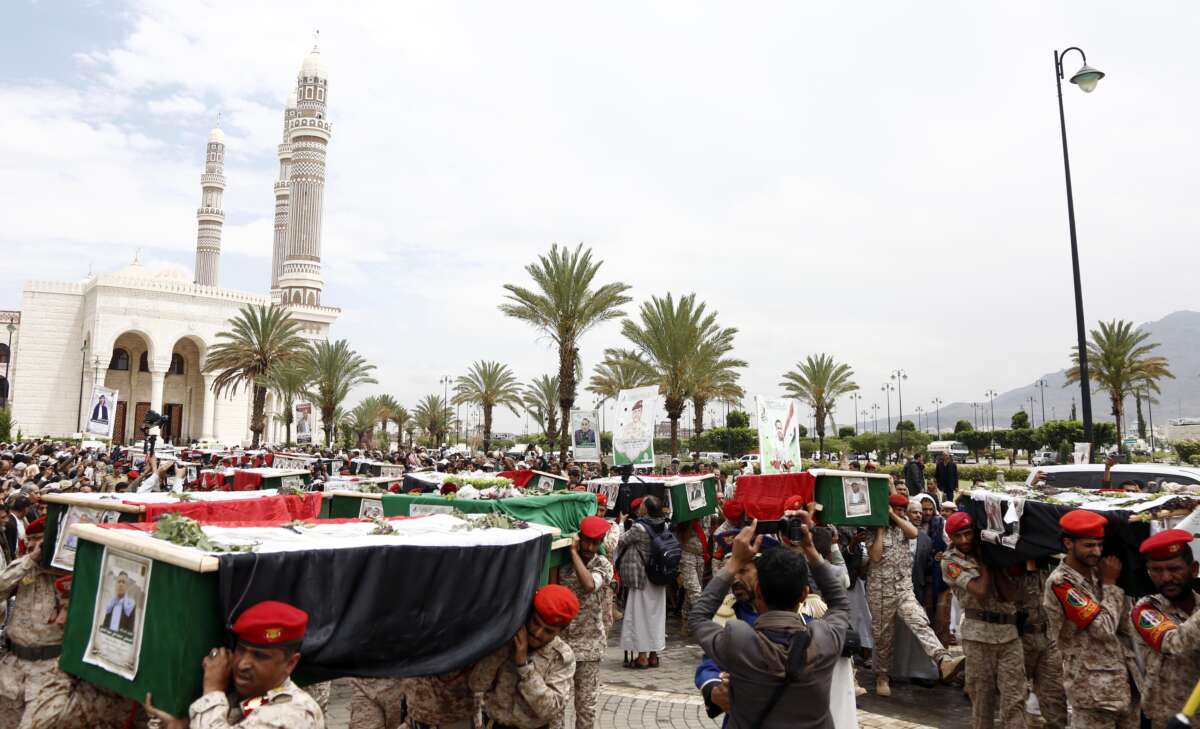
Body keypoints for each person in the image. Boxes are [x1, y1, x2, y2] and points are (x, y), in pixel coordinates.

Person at [689, 510, 850, 729]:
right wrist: (809, 548)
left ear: (758, 588)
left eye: (744, 569)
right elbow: (840, 603)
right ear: (803, 593)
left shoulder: (737, 636)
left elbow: (698, 617)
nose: (736, 577)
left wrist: (733, 561)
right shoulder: (823, 637)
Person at [0, 518, 131, 729]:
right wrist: (30, 560)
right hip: (12, 668)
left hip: (48, 670)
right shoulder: (25, 566)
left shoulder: (73, 572)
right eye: (30, 540)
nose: (33, 545)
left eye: (38, 539)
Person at [145, 599, 325, 728]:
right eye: (240, 650)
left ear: (290, 663)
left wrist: (213, 690)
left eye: (260, 656)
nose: (242, 664)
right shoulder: (254, 699)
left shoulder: (294, 713)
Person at [1042, 509, 1136, 729]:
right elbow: (1102, 629)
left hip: (1123, 682)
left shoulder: (1099, 574)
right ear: (1068, 543)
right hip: (1091, 689)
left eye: (1100, 545)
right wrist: (1111, 585)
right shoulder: (1062, 583)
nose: (1096, 551)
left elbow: (1125, 626)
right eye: (1089, 545)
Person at [865, 494, 963, 696]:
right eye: (895, 509)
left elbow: (913, 533)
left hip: (903, 588)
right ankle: (882, 676)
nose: (898, 513)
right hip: (880, 591)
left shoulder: (905, 527)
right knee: (883, 635)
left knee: (919, 621)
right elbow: (875, 556)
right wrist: (882, 528)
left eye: (902, 510)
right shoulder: (873, 529)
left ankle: (943, 659)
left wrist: (896, 517)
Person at [940, 512, 1026, 729]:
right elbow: (980, 590)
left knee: (1014, 699)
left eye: (968, 534)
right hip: (977, 636)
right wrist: (987, 560)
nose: (964, 541)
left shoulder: (997, 551)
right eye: (957, 536)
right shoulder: (950, 561)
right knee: (982, 700)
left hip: (1009, 634)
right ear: (951, 537)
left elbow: (1012, 594)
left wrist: (994, 556)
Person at [469, 584, 578, 729]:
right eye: (535, 623)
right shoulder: (505, 639)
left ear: (560, 632)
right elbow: (476, 684)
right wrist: (501, 649)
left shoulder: (562, 657)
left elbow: (550, 710)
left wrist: (524, 666)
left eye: (548, 631)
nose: (538, 633)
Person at [1131, 529, 1200, 729]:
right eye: (1157, 570)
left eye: (1174, 568)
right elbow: (1173, 642)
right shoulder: (1146, 609)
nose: (1166, 577)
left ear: (1193, 569)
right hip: (1169, 718)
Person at [553, 515, 614, 729]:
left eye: (594, 543)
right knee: (556, 705)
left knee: (586, 707)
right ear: (579, 538)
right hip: (561, 644)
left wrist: (573, 553)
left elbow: (589, 584)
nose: (589, 547)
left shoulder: (603, 564)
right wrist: (566, 554)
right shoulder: (563, 563)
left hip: (589, 646)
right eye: (585, 541)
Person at [617, 495, 668, 669]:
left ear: (645, 509)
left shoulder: (639, 527)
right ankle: (654, 655)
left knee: (639, 615)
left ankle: (642, 657)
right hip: (659, 576)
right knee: (656, 616)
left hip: (642, 576)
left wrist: (620, 524)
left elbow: (621, 540)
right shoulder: (665, 525)